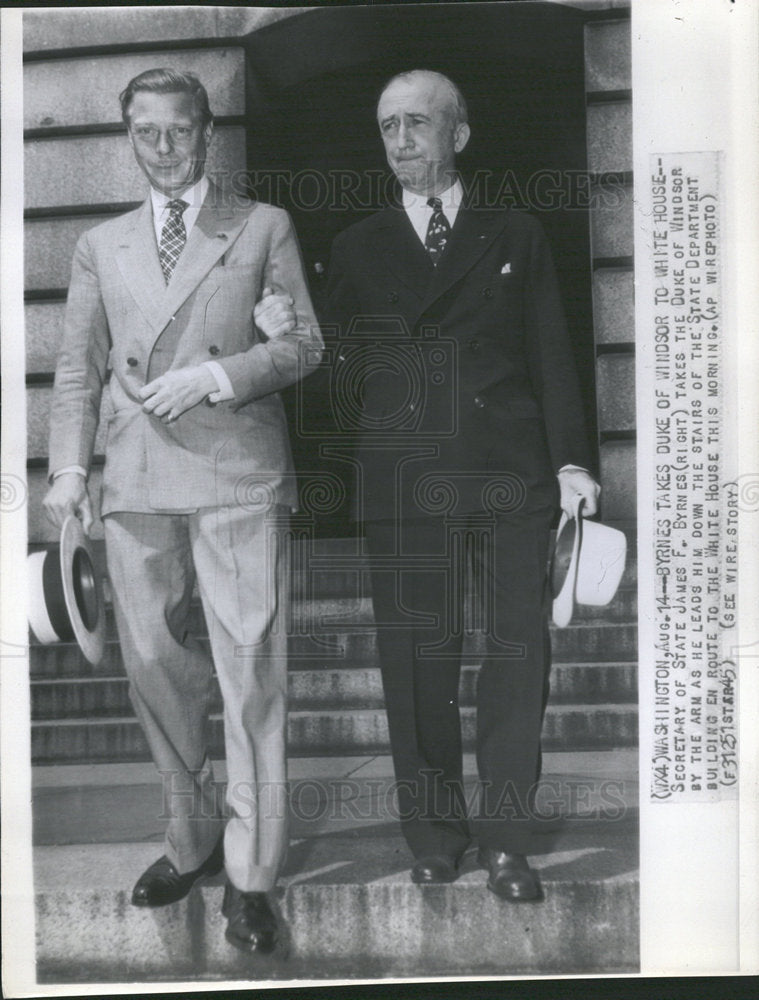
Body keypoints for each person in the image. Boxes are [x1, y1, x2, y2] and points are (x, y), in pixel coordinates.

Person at [43, 68, 322, 952]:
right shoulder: (101, 243)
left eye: (179, 130)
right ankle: (191, 836)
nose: (163, 149)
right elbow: (78, 369)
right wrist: (67, 469)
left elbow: (304, 347)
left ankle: (252, 874)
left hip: (238, 475)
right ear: (128, 136)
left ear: (207, 132)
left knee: (251, 674)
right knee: (155, 673)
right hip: (135, 480)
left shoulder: (261, 225)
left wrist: (215, 375)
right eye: (146, 132)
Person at [325, 69, 600, 900]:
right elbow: (336, 377)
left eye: (417, 122)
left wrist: (571, 462)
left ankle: (507, 842)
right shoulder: (355, 246)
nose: (400, 140)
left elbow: (550, 350)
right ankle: (434, 835)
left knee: (516, 656)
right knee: (417, 664)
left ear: (460, 134)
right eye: (387, 126)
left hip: (510, 471)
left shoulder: (515, 232)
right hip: (408, 478)